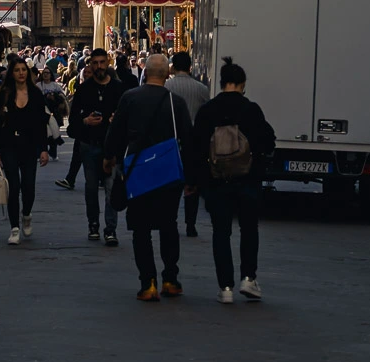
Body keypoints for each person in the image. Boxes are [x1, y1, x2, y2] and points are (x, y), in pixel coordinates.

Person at [190, 59, 275, 304]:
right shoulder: (251, 109)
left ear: (222, 83)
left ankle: (225, 287)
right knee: (249, 229)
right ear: (242, 84)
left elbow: (196, 147)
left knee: (221, 233)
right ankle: (248, 278)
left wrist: (195, 180)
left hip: (217, 181)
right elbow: (268, 141)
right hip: (247, 180)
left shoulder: (208, 111)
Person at [104, 51, 187, 302]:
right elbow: (189, 139)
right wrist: (192, 177)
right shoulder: (176, 102)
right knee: (168, 225)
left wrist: (109, 158)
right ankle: (170, 279)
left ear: (146, 72)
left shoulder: (130, 98)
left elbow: (115, 132)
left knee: (141, 229)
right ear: (168, 74)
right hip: (168, 172)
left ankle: (147, 282)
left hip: (138, 170)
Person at [0, 57, 49, 245]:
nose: (21, 73)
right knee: (13, 186)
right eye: (17, 70)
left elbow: (40, 124)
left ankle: (26, 214)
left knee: (28, 187)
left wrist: (43, 150)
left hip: (29, 146)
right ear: (11, 73)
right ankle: (14, 228)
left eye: (23, 69)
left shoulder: (36, 94)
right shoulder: (5, 93)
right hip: (9, 145)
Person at [67, 47, 123, 244]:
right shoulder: (84, 89)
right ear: (90, 64)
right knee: (91, 188)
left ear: (108, 63)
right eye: (95, 63)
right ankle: (93, 223)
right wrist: (85, 120)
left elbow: (127, 119)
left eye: (102, 62)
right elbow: (72, 121)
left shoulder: (118, 88)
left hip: (111, 146)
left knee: (110, 189)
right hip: (89, 145)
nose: (99, 67)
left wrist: (117, 119)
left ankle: (110, 229)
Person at [167, 51, 210, 238]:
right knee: (191, 185)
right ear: (190, 66)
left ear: (174, 67)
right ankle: (190, 224)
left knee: (171, 184)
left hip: (171, 140)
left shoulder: (167, 86)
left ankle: (171, 220)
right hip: (193, 142)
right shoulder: (201, 89)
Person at [39, 63, 68, 161]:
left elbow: (62, 96)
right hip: (43, 112)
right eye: (44, 73)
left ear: (51, 75)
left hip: (55, 112)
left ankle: (53, 152)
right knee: (45, 133)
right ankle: (43, 151)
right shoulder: (38, 86)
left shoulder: (55, 85)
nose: (46, 75)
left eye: (48, 73)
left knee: (55, 131)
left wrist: (54, 96)